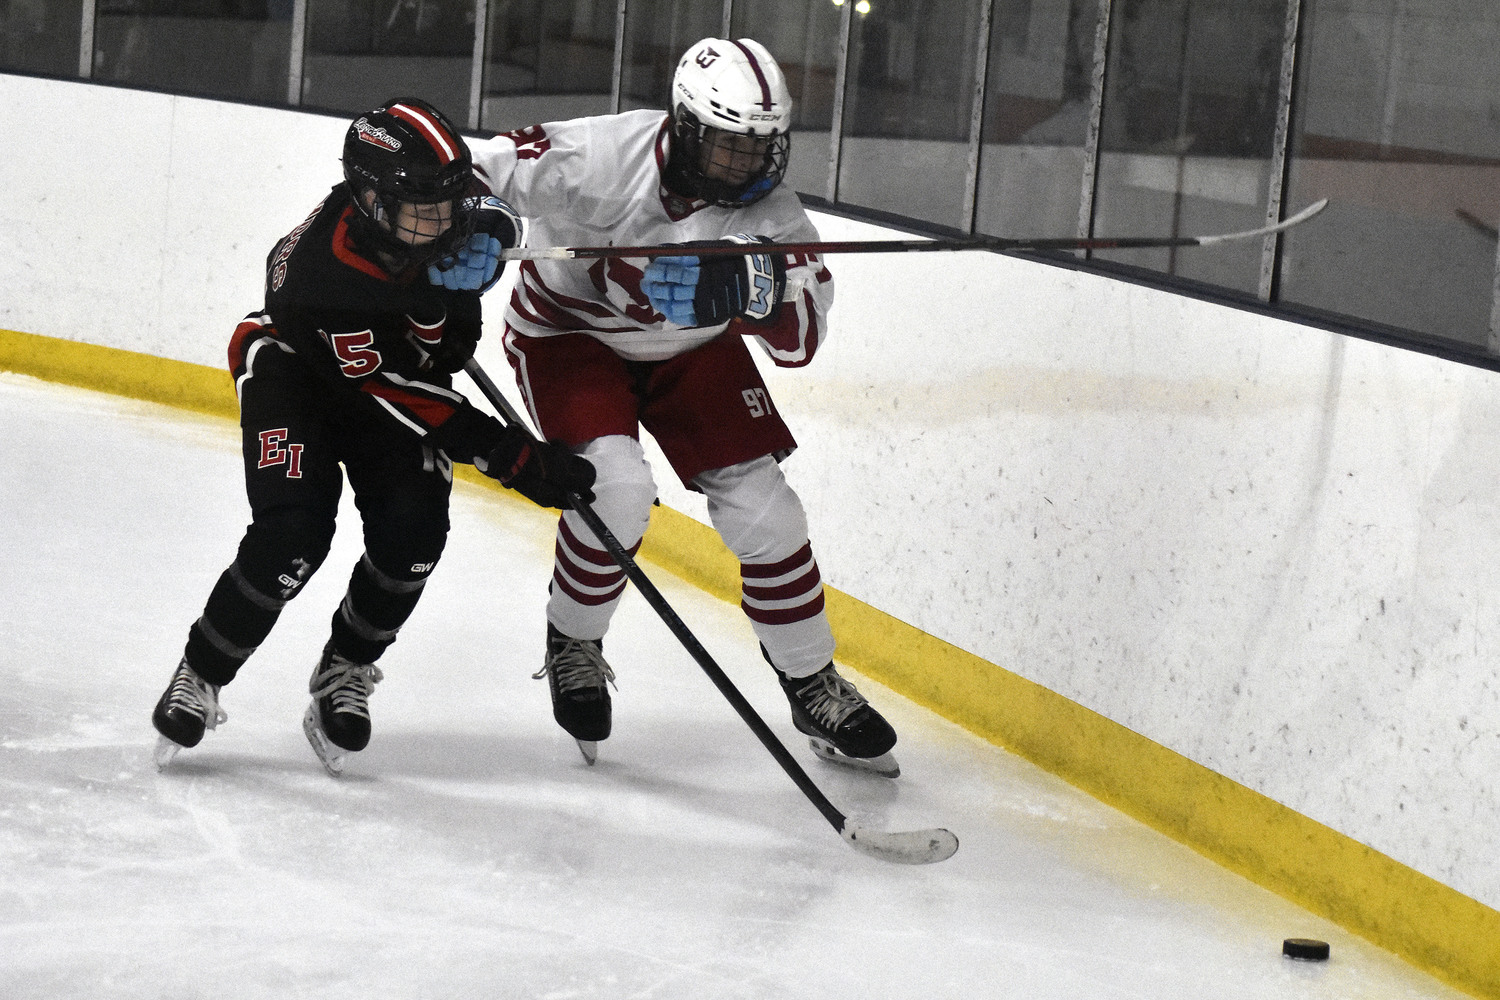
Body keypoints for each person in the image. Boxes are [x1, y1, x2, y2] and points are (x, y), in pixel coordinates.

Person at [467, 38, 900, 775]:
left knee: (769, 514)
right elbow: (481, 172)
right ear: (686, 124)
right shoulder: (599, 155)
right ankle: (574, 639)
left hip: (694, 352)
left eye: (762, 148)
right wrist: (478, 226)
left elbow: (802, 342)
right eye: (730, 146)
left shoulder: (775, 218)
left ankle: (809, 678)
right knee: (618, 490)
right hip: (571, 339)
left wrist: (753, 293)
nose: (748, 165)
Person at [150, 97, 596, 775]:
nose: (443, 222)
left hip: (390, 379)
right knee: (292, 532)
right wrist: (510, 455)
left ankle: (345, 670)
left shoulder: (422, 200)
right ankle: (202, 671)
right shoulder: (320, 282)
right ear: (370, 199)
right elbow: (394, 391)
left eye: (449, 205)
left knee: (413, 534)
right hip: (299, 376)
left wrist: (494, 234)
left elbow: (482, 216)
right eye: (427, 210)